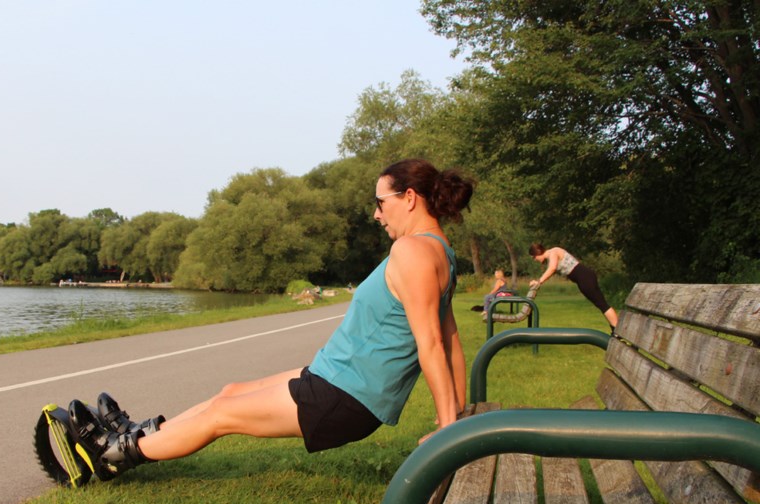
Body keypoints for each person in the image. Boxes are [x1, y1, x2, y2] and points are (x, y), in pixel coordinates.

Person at [65, 159, 475, 482]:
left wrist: (447, 428)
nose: (375, 214)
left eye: (380, 202)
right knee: (229, 393)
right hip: (333, 377)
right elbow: (451, 337)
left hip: (345, 396)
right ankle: (142, 434)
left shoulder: (412, 252)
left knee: (220, 417)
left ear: (408, 198)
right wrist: (455, 411)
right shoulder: (440, 251)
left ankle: (114, 454)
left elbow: (433, 344)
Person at [528, 243, 619, 328]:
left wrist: (539, 282)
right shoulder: (552, 254)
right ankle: (615, 330)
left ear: (537, 253)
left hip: (585, 277)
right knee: (601, 304)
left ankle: (617, 331)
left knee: (602, 305)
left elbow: (552, 268)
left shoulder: (553, 252)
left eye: (534, 258)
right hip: (584, 278)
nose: (535, 260)